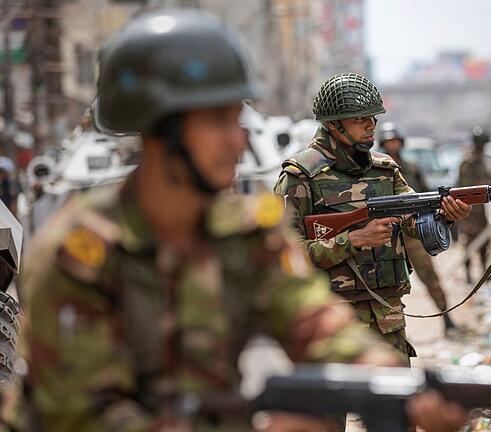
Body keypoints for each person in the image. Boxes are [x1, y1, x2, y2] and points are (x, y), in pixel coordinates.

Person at [9, 10, 466, 432]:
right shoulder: (79, 252)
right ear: (159, 133)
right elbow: (82, 415)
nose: (238, 142)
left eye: (238, 120)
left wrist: (383, 376)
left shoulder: (244, 234)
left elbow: (312, 317)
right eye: (217, 122)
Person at [274, 73, 471, 363]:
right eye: (359, 119)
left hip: (386, 318)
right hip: (328, 321)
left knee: (393, 406)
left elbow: (412, 221)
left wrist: (444, 216)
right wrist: (351, 240)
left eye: (373, 118)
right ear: (333, 124)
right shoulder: (300, 176)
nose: (371, 126)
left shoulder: (385, 169)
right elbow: (284, 258)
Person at [377, 122, 458, 335]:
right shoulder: (377, 172)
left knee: (429, 276)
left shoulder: (411, 169)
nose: (392, 146)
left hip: (411, 231)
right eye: (389, 143)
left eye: (395, 142)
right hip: (385, 234)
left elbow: (425, 195)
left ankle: (446, 317)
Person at [457, 127, 491, 284]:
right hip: (469, 209)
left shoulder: (480, 160)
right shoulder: (468, 162)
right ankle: (468, 275)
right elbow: (465, 186)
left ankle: (485, 271)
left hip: (480, 208)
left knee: (485, 240)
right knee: (470, 242)